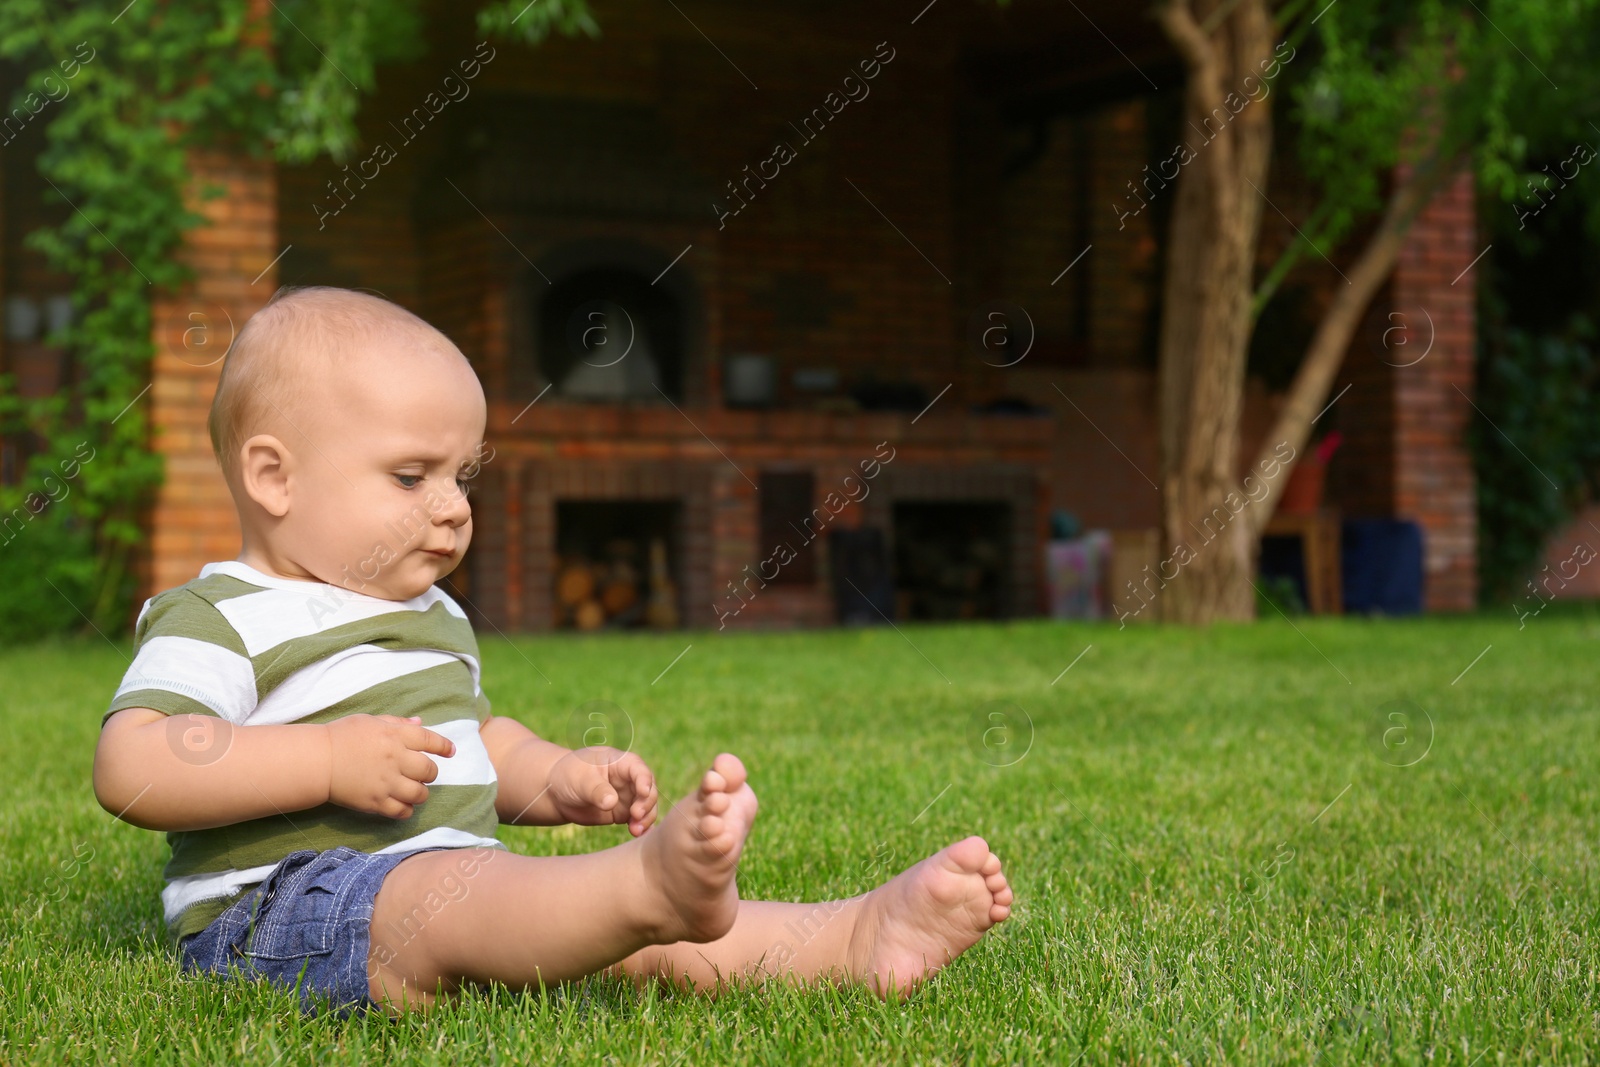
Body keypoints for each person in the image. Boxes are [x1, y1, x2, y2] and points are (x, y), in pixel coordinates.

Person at [92, 286, 1013, 1015]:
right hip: (284, 911)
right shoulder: (223, 614)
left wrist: (555, 777)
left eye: (462, 475)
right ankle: (647, 888)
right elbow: (133, 764)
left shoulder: (432, 615)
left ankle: (849, 939)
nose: (453, 505)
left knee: (595, 923)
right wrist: (326, 759)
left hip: (453, 888)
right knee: (484, 893)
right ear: (273, 475)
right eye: (412, 476)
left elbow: (474, 743)